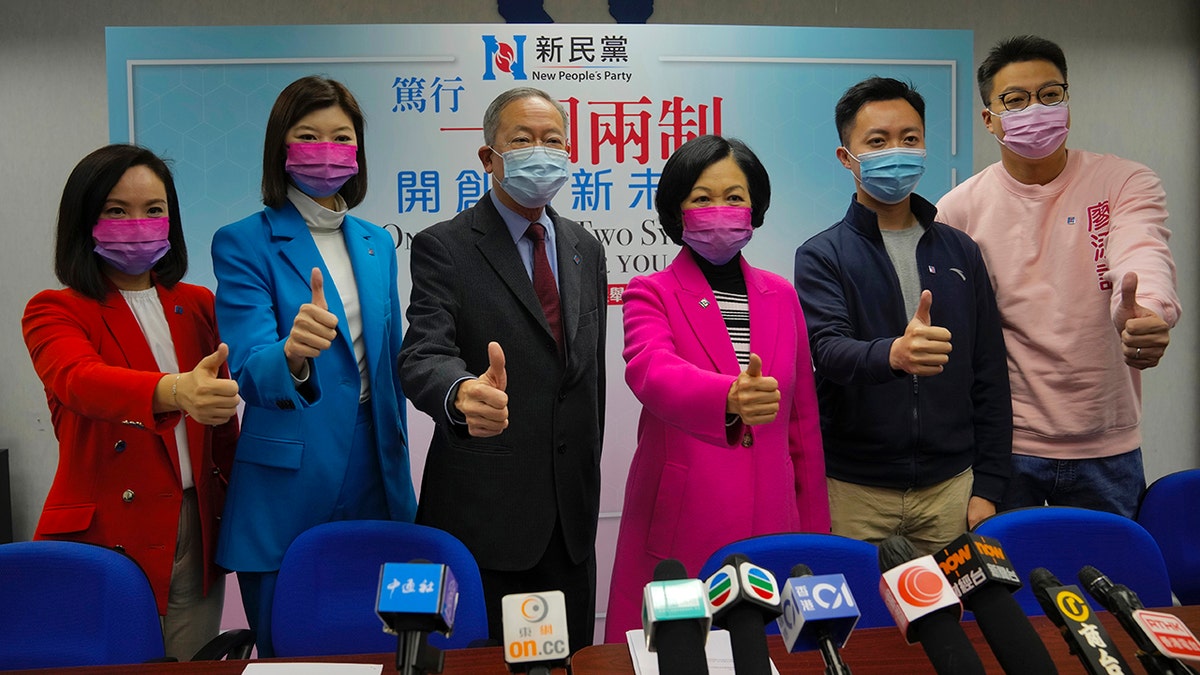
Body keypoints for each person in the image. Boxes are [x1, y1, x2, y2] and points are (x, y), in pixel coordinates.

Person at [212, 75, 417, 657]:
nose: (326, 151)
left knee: (384, 646)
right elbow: (250, 369)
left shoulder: (376, 242)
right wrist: (292, 354)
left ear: (358, 151)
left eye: (341, 137)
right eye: (308, 136)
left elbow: (390, 362)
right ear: (282, 147)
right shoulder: (243, 242)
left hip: (376, 468)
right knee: (290, 654)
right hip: (289, 478)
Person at [397, 86, 607, 652]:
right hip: (484, 520)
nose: (541, 151)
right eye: (522, 139)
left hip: (571, 524)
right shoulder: (445, 246)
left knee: (571, 663)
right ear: (488, 157)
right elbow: (421, 355)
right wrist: (460, 392)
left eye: (553, 139)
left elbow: (590, 383)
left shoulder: (586, 247)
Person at [935, 36, 1180, 519]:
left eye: (1050, 95)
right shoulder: (958, 209)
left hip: (1107, 444)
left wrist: (1148, 312)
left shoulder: (1124, 181)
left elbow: (1142, 250)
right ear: (990, 119)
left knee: (1114, 589)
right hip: (1006, 445)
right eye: (1016, 100)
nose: (1036, 109)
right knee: (1009, 591)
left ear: (1068, 102)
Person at [604, 135, 830, 641]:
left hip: (774, 517)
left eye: (735, 197)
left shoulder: (782, 294)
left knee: (768, 655)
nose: (720, 210)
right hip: (685, 516)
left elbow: (803, 425)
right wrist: (726, 396)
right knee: (676, 654)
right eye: (702, 198)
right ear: (677, 210)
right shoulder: (651, 292)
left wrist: (814, 535)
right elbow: (650, 369)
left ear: (756, 207)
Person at [22, 144, 240, 660]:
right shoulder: (56, 309)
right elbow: (81, 380)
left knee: (194, 661)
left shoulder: (198, 303)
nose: (137, 223)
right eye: (116, 211)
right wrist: (173, 389)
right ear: (84, 220)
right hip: (106, 531)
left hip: (194, 525)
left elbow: (222, 427)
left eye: (153, 210)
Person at [794, 78, 1012, 555]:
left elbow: (989, 371)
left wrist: (990, 483)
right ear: (845, 157)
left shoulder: (960, 250)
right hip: (853, 488)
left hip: (950, 487)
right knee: (859, 623)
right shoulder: (822, 255)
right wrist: (893, 353)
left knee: (956, 622)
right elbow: (827, 351)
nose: (897, 151)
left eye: (909, 139)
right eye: (878, 141)